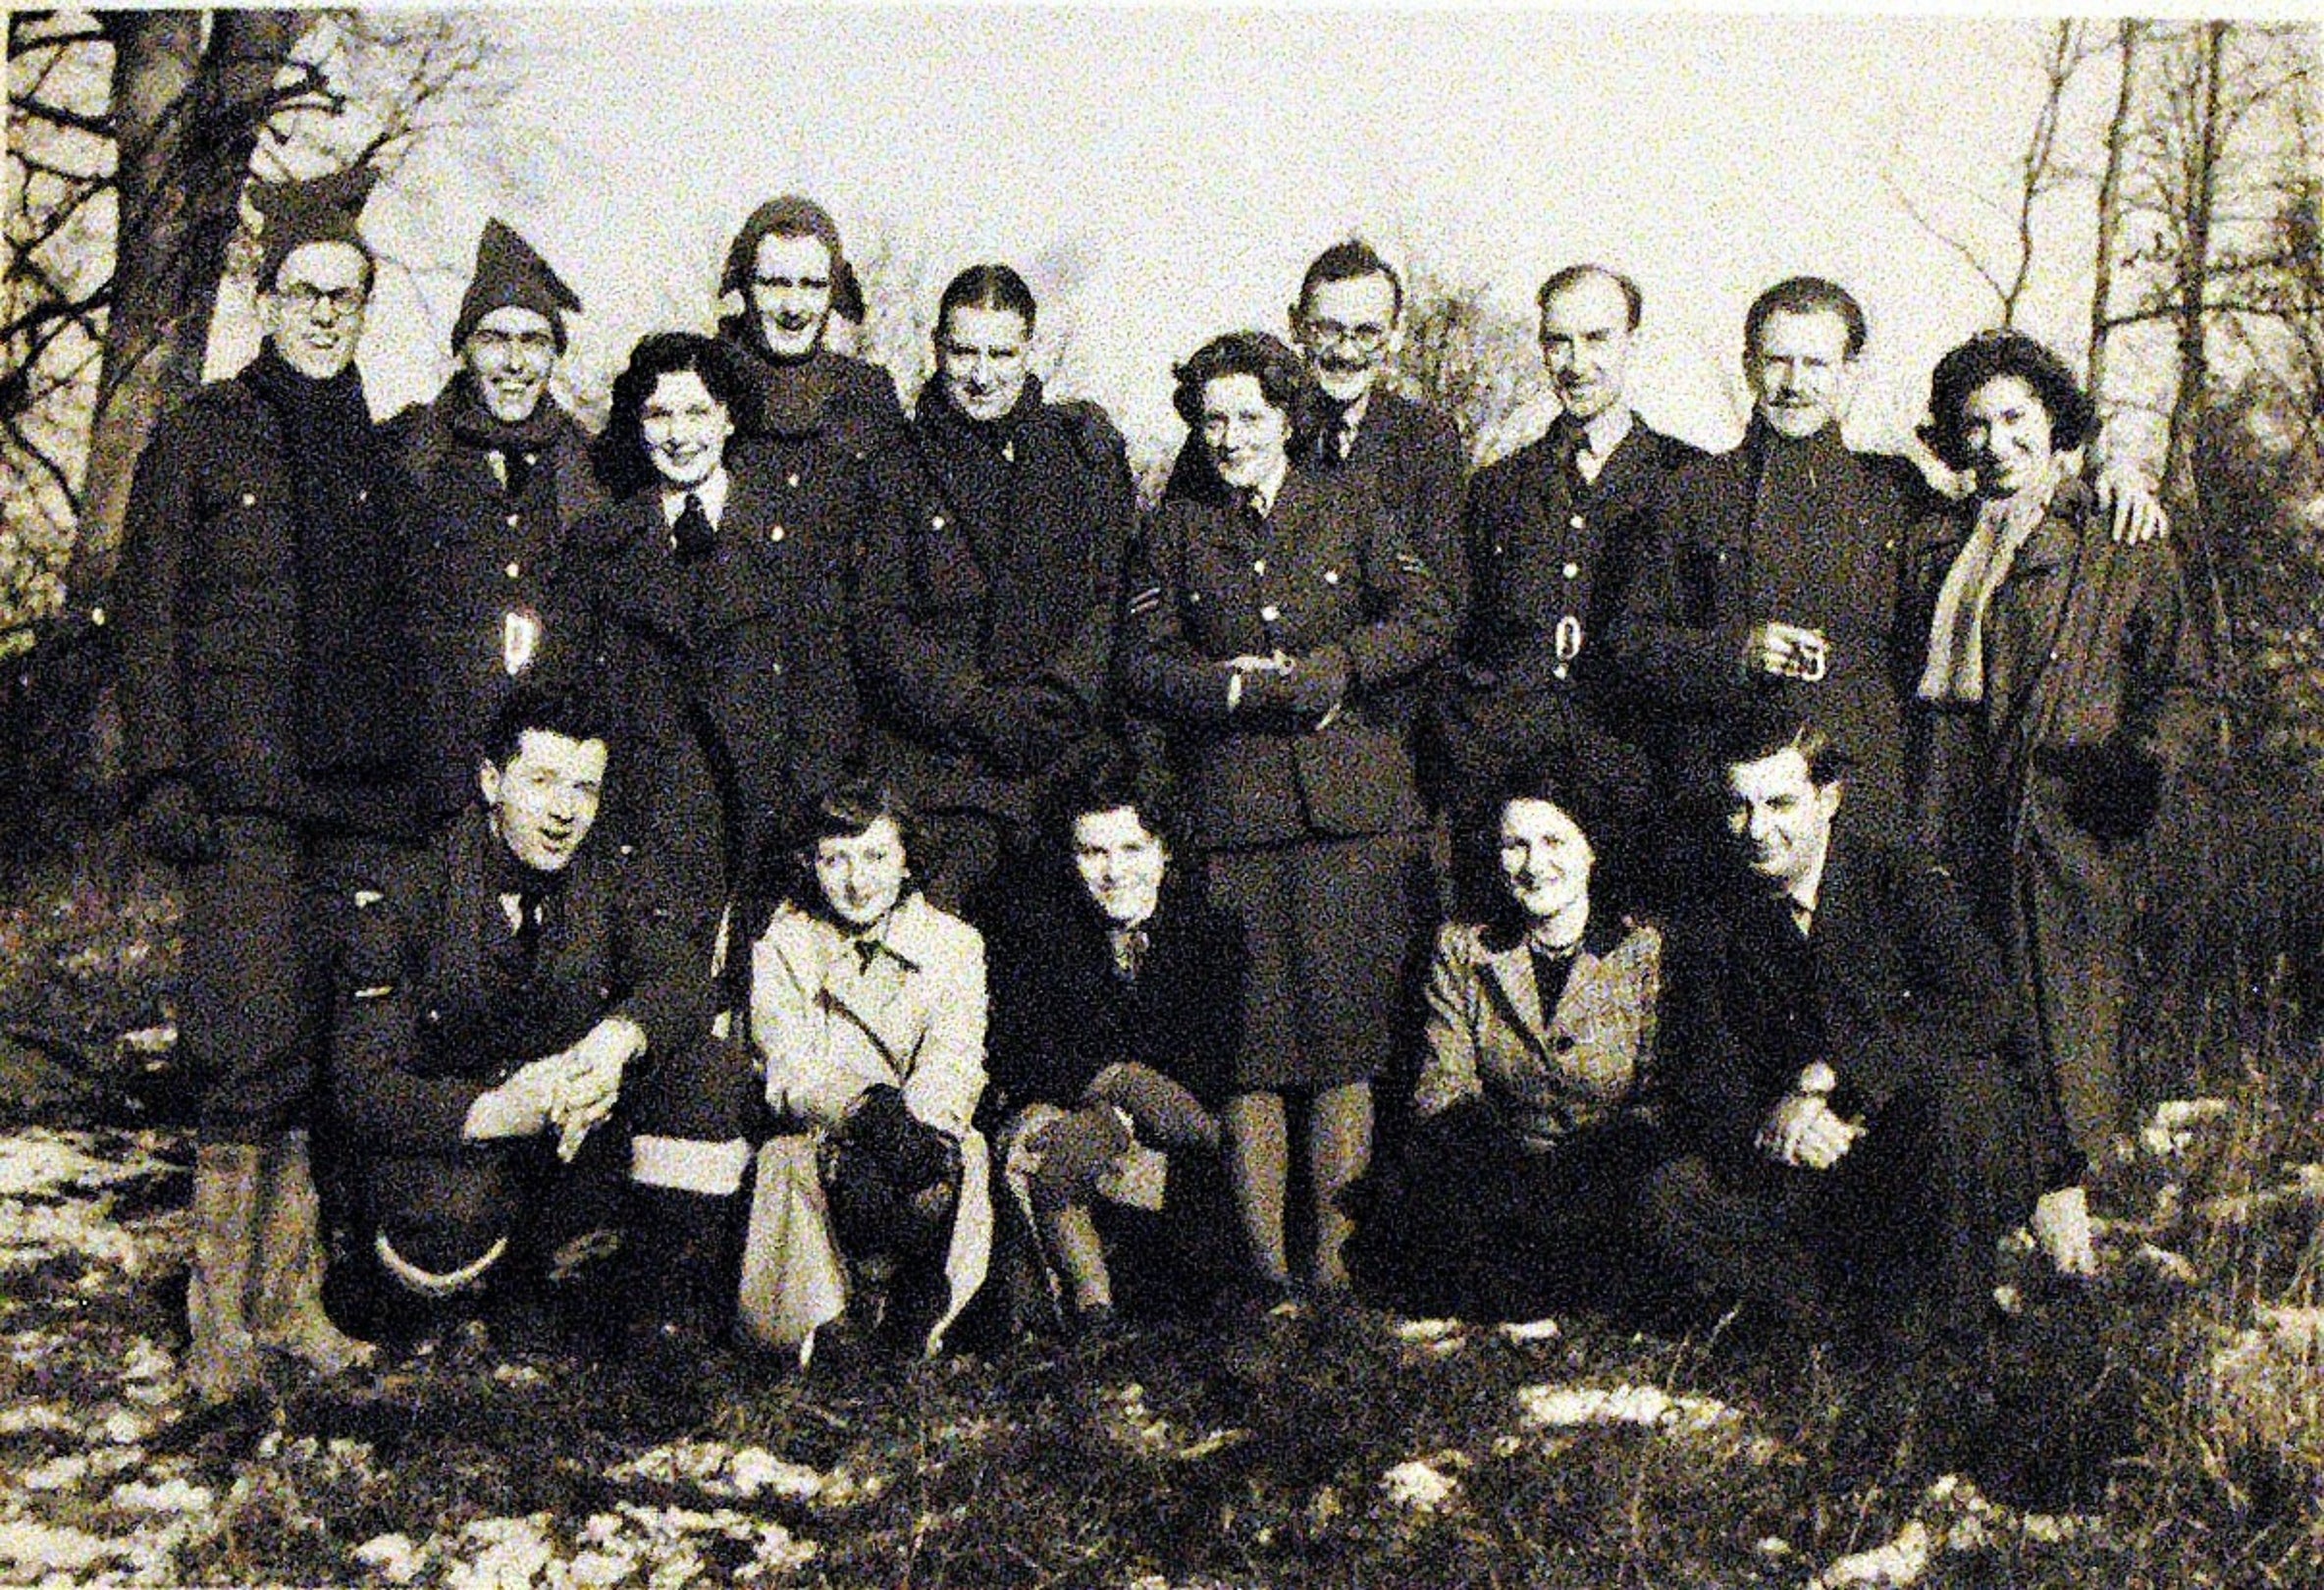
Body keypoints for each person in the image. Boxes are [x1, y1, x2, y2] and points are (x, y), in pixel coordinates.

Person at [115, 170, 424, 1401]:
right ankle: (218, 1331)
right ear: (264, 297)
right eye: (304, 293)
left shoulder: (376, 443)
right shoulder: (202, 431)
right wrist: (163, 771)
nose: (325, 315)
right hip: (239, 794)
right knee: (244, 1050)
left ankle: (291, 1305)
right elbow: (145, 613)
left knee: (318, 1053)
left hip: (351, 800)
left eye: (346, 297)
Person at [1122, 330, 1452, 1301]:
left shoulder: (1349, 508)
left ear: (1287, 420)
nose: (1230, 437)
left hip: (1354, 814)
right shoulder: (1172, 528)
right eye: (1212, 419)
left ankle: (1334, 1272)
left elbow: (1425, 619)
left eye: (1250, 418)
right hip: (1236, 814)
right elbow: (1140, 664)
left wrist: (1336, 668)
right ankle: (1267, 1278)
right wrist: (1226, 694)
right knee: (1253, 1049)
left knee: (1347, 1041)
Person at [1617, 278, 2164, 855]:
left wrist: (2111, 482)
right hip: (1737, 814)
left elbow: (2005, 527)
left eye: (1816, 363)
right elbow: (1630, 644)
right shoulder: (1691, 495)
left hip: (1870, 806)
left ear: (1850, 372)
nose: (1796, 383)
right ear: (1750, 366)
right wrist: (1737, 651)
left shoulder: (1895, 492)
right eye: (1778, 361)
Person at [563, 332, 863, 1342]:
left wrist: (798, 843)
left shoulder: (791, 541)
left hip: (753, 835)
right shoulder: (604, 548)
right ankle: (650, 1278)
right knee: (656, 1027)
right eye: (658, 416)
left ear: (731, 419)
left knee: (739, 1034)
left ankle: (738, 1272)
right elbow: (570, 694)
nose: (679, 435)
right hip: (641, 834)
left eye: (697, 413)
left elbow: (823, 703)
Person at [1903, 331, 2212, 1268]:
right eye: (1975, 426)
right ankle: (1971, 1234)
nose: (1996, 443)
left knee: (2055, 1024)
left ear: (2054, 425)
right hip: (1944, 801)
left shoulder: (2117, 539)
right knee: (1960, 1008)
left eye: (2015, 420)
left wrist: (2137, 766)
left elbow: (2189, 688)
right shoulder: (1931, 541)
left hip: (2060, 819)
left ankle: (2064, 1251)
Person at [1642, 716, 2051, 1359]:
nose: (1757, 831)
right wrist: (1778, 1122)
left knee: (1956, 1102)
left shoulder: (1897, 877)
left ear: (1828, 799)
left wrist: (1838, 1075)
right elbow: (1701, 1065)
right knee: (1669, 1196)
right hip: (1812, 1159)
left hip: (1917, 1132)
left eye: (1780, 805)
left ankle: (1943, 1333)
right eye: (1739, 808)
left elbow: (1982, 1005)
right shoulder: (1715, 913)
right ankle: (1854, 1309)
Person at [330, 686, 711, 1352]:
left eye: (586, 789)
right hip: (449, 1151)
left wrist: (613, 1044)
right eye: (541, 782)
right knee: (445, 1228)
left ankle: (644, 1301)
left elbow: (679, 977)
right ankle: (454, 1294)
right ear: (490, 781)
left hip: (560, 1149)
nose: (565, 812)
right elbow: (362, 1087)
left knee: (712, 1072)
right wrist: (499, 1109)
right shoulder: (412, 889)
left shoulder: (602, 878)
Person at [853, 265, 1136, 917]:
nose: (981, 374)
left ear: (1029, 351)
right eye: (964, 351)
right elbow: (880, 622)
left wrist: (1058, 700)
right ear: (936, 347)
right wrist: (974, 709)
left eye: (1001, 353)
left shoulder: (1080, 457)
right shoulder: (898, 465)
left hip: (1058, 761)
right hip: (944, 767)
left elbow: (1108, 599)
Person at [1429, 265, 1703, 909]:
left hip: (1639, 800)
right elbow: (1458, 640)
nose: (1577, 363)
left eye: (1597, 339)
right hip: (1513, 805)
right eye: (1559, 343)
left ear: (1633, 341)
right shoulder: (1498, 489)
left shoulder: (1687, 479)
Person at [1367, 766, 1667, 1319]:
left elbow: (1655, 1095)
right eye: (1515, 845)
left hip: (1604, 1170)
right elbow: (1443, 1086)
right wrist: (1505, 1166)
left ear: (1592, 850)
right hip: (1501, 1171)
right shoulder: (1464, 948)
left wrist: (1588, 1165)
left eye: (1554, 841)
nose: (1534, 865)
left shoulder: (1643, 949)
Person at [985, 763, 1245, 1336]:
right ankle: (1089, 1306)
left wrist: (1126, 1114)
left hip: (1175, 1141)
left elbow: (1209, 1062)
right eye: (1093, 853)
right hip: (1077, 1111)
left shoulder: (1211, 933)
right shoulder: (1041, 931)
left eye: (1133, 849)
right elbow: (1022, 1047)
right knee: (1038, 1139)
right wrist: (1114, 1083)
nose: (1114, 873)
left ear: (1165, 852)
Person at [738, 780, 991, 1365]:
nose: (857, 881)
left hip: (918, 1141)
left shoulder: (954, 945)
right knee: (785, 1159)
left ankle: (930, 1314)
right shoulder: (783, 942)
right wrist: (865, 1112)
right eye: (836, 860)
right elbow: (787, 1063)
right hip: (835, 1132)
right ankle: (819, 1324)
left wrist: (917, 1129)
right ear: (812, 865)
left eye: (876, 857)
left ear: (907, 862)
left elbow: (954, 1055)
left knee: (969, 1152)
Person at [385, 219, 605, 820]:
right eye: (493, 339)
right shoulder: (407, 454)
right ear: (464, 349)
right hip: (430, 760)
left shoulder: (591, 465)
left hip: (547, 776)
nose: (514, 362)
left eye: (533, 341)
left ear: (555, 353)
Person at [1160, 241, 1466, 613]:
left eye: (1367, 333)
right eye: (1328, 330)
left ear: (1395, 335)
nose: (1346, 352)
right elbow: (1174, 566)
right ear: (1296, 325)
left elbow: (1440, 601)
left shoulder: (1428, 440)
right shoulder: (1232, 437)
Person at [713, 194, 905, 455]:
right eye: (775, 284)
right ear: (744, 285)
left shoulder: (867, 392)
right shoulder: (704, 385)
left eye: (813, 286)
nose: (793, 308)